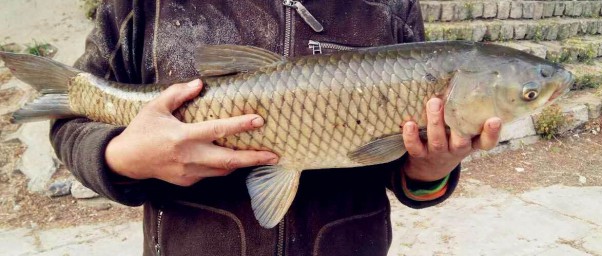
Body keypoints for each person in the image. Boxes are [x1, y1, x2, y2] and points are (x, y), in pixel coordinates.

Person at [51, 0, 502, 255]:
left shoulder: (391, 9)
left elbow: (405, 174)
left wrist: (432, 169)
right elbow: (71, 122)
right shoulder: (143, 7)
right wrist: (121, 158)